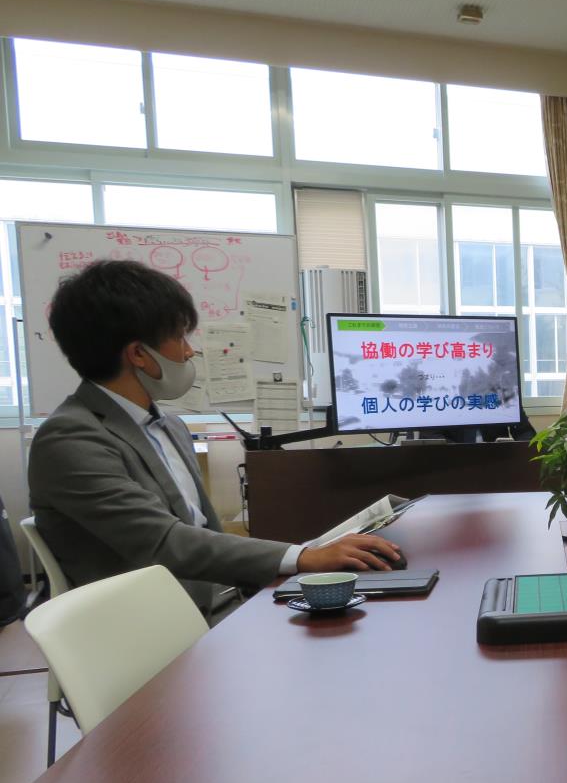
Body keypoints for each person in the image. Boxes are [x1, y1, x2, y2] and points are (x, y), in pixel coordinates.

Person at [28, 259, 400, 621]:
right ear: (139, 354)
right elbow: (164, 543)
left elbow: (205, 534)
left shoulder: (168, 426)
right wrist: (305, 557)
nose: (189, 351)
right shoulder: (70, 439)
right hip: (146, 632)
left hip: (212, 608)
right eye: (179, 337)